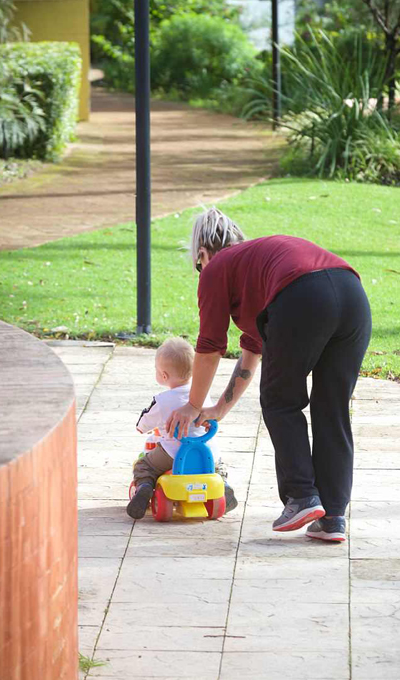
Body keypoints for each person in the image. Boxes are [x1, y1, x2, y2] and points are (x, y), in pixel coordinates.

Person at [166, 208, 371, 542]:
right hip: (353, 296)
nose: (201, 272)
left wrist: (192, 404)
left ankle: (302, 495)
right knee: (330, 407)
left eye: (198, 265)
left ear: (202, 254)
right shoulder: (254, 269)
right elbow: (252, 352)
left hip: (304, 296)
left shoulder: (217, 268)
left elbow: (210, 346)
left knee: (279, 400)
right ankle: (332, 516)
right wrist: (218, 408)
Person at [126, 336, 237, 519]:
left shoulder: (162, 400)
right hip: (206, 451)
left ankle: (144, 487)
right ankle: (222, 484)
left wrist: (142, 427)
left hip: (173, 453)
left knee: (144, 465)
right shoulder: (203, 394)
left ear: (163, 375)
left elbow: (143, 424)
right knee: (218, 463)